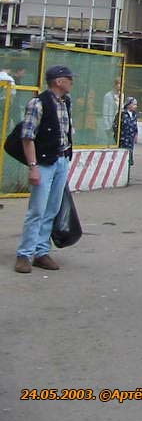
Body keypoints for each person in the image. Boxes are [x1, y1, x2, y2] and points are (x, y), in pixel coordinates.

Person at [13, 65, 75, 274]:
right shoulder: (37, 104)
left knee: (52, 209)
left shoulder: (66, 102)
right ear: (58, 81)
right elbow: (27, 137)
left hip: (61, 160)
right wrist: (33, 167)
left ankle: (41, 252)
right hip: (44, 163)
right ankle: (24, 254)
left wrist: (66, 159)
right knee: (37, 210)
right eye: (69, 78)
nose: (71, 82)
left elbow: (66, 132)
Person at [120, 97, 139, 172]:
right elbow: (117, 126)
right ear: (128, 105)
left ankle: (127, 171)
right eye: (134, 104)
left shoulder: (134, 115)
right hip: (123, 138)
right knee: (123, 155)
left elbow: (135, 125)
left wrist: (136, 134)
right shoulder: (122, 114)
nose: (136, 106)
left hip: (131, 138)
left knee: (130, 154)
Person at [102, 78, 122, 143]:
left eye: (122, 84)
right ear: (115, 85)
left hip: (118, 123)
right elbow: (105, 111)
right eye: (119, 84)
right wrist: (107, 126)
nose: (120, 86)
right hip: (110, 123)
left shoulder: (122, 95)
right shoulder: (108, 95)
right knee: (109, 142)